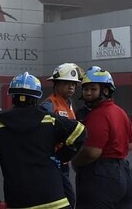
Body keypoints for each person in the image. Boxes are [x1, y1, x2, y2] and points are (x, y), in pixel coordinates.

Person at [0, 72, 86, 209]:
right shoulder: (49, 120)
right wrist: (63, 155)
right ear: (36, 97)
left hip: (20, 200)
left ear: (13, 97)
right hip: (54, 200)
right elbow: (80, 131)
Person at [71, 67, 132, 209]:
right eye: (85, 89)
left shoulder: (98, 115)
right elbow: (130, 145)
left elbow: (92, 152)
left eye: (93, 89)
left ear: (106, 91)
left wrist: (74, 161)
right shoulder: (120, 112)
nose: (88, 93)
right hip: (125, 174)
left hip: (101, 175)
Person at [41, 62, 83, 207]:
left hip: (64, 162)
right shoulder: (49, 105)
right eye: (66, 83)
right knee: (66, 201)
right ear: (56, 84)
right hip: (52, 162)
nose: (71, 87)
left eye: (73, 84)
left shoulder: (69, 104)